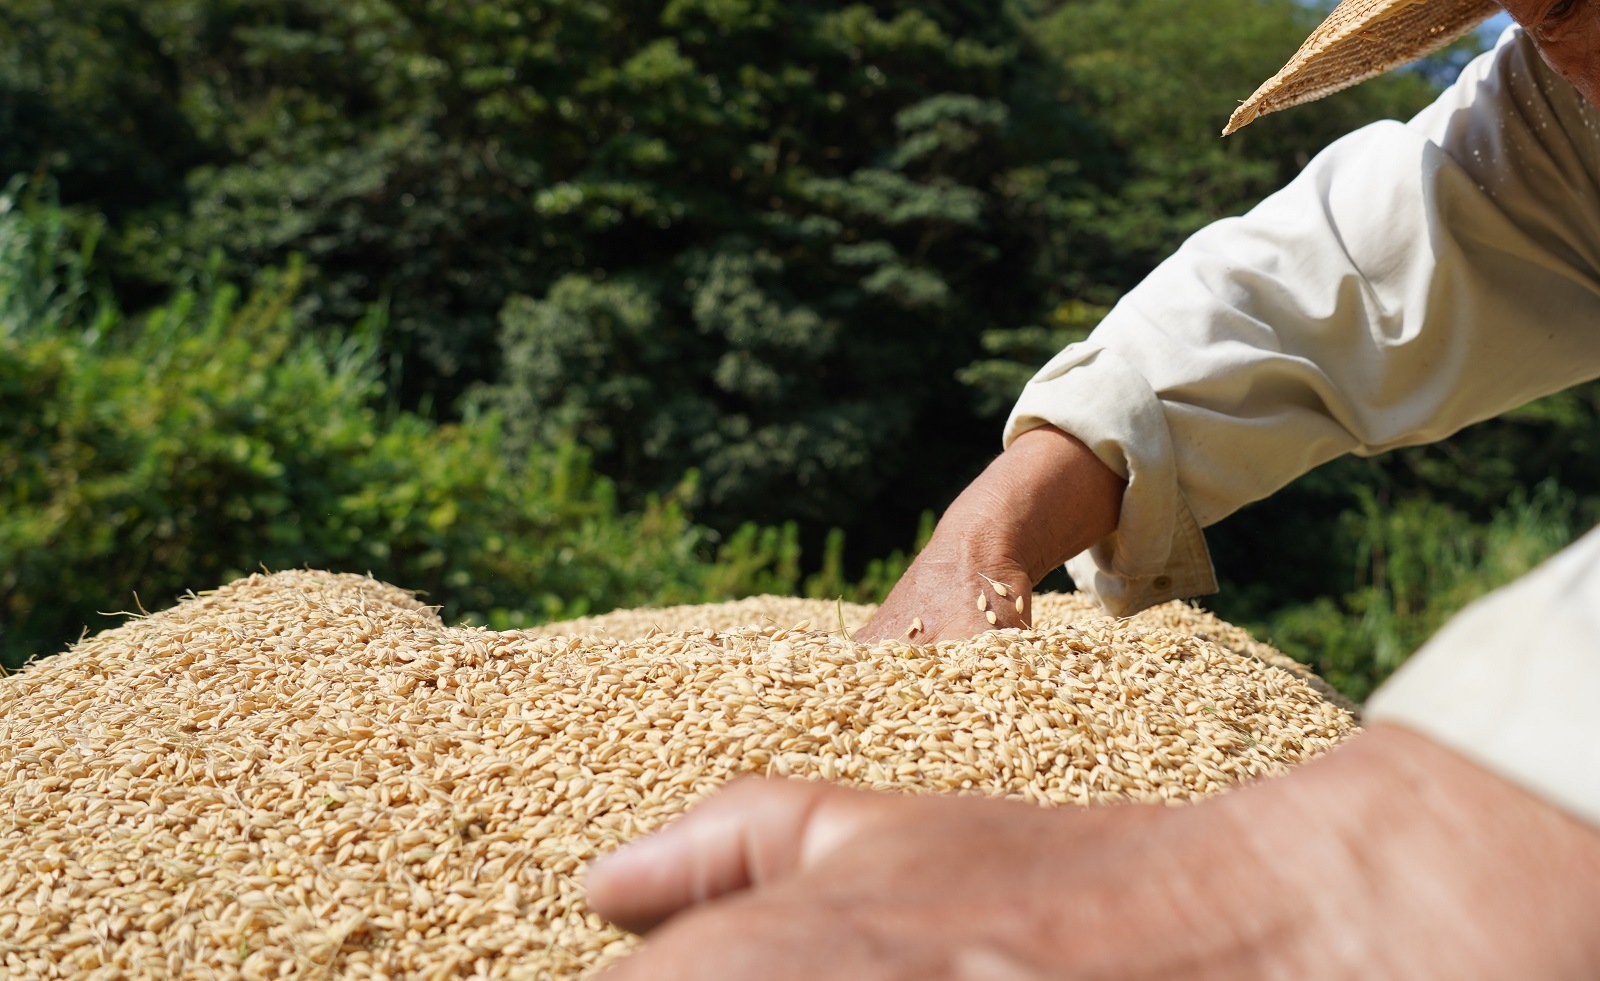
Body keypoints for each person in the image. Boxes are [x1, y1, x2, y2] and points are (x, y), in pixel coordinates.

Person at [585, 0, 1600, 975]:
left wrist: (1336, 892)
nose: (1544, 33)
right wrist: (982, 536)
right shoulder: (1570, 114)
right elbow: (1336, 284)